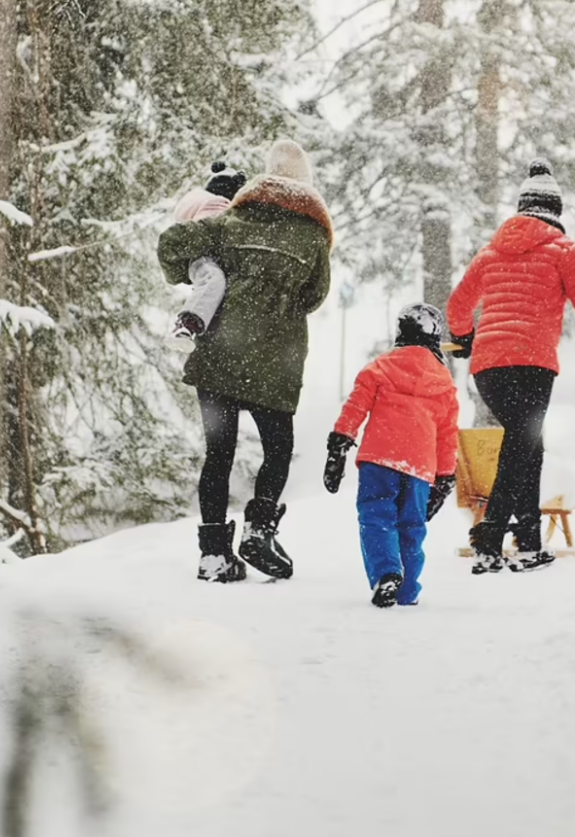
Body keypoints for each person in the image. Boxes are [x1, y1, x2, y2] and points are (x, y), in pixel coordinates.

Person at [157, 139, 331, 583]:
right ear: (305, 184)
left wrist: (195, 276)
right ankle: (259, 528)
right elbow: (314, 296)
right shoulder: (312, 236)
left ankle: (214, 554)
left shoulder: (233, 221)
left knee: (219, 454)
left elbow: (174, 242)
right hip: (275, 361)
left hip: (220, 356)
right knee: (277, 449)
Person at [447, 158, 575, 575]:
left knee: (529, 445)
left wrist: (465, 336)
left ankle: (527, 540)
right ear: (555, 212)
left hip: (488, 369)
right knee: (520, 444)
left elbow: (457, 305)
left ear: (523, 209)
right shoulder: (564, 251)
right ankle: (491, 533)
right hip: (532, 365)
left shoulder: (490, 253)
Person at [323, 304, 460, 608]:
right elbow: (448, 434)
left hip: (379, 459)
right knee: (412, 525)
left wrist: (339, 445)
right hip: (420, 466)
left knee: (376, 516)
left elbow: (356, 407)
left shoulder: (380, 367)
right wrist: (445, 478)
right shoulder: (443, 383)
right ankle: (408, 590)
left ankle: (386, 574)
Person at [169, 161, 248, 340]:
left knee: (212, 287)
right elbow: (212, 227)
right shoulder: (216, 204)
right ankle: (186, 326)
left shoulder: (199, 201)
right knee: (214, 280)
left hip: (200, 258)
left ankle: (198, 325)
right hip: (204, 257)